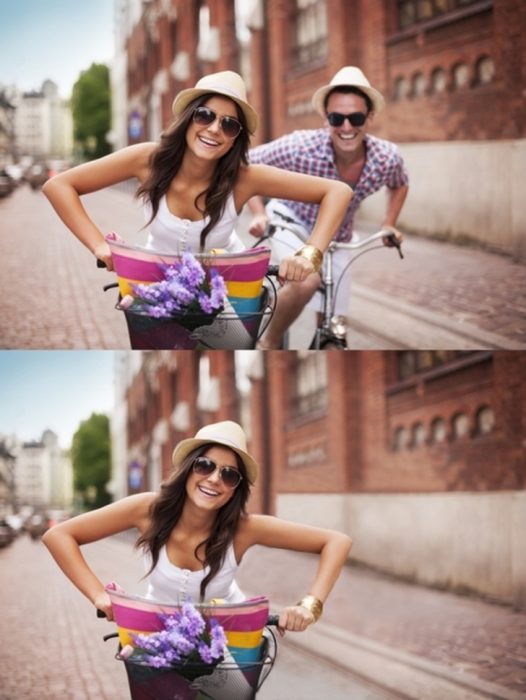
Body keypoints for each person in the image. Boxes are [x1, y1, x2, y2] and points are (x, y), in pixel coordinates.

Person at [43, 71, 352, 286]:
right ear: (188, 119)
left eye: (229, 125)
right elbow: (59, 185)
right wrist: (99, 246)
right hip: (156, 282)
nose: (215, 129)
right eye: (204, 115)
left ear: (236, 139)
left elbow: (337, 191)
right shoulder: (148, 159)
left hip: (228, 287)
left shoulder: (244, 178)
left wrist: (310, 254)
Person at [42, 420, 352, 634]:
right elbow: (59, 535)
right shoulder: (148, 510)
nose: (215, 478)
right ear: (188, 469)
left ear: (236, 489)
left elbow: (337, 541)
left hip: (229, 642)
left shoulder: (244, 528)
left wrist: (309, 607)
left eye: (229, 475)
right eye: (205, 466)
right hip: (157, 636)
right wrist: (100, 597)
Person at [248, 66, 409, 348]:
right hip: (292, 222)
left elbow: (400, 183)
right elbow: (246, 167)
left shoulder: (387, 158)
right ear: (326, 119)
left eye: (356, 117)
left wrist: (389, 223)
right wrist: (259, 213)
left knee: (333, 320)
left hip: (338, 235)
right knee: (307, 280)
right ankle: (267, 343)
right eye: (337, 118)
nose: (346, 127)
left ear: (370, 118)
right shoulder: (300, 146)